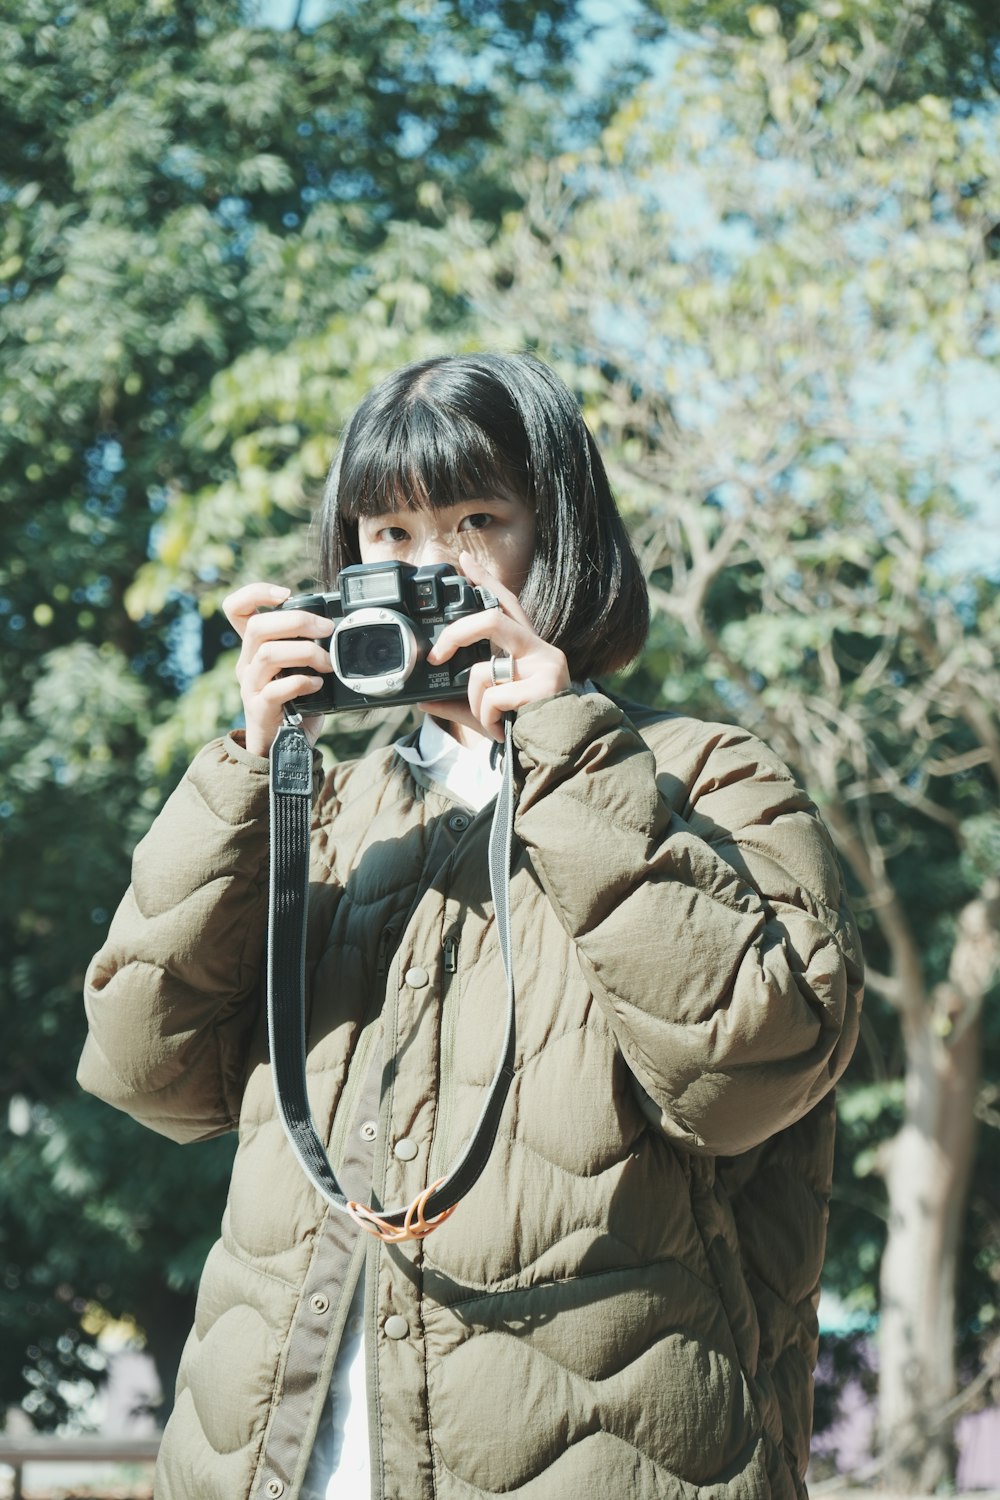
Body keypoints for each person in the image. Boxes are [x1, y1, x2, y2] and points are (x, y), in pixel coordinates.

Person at [80, 351, 863, 1500]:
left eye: (473, 519)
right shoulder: (321, 811)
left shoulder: (704, 781)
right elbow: (148, 1072)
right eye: (386, 535)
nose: (423, 567)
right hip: (279, 1462)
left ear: (560, 534)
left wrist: (562, 753)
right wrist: (250, 770)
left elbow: (745, 1074)